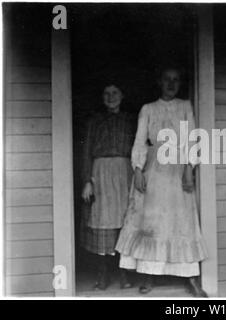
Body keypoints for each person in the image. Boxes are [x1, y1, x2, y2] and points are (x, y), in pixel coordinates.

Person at [115, 66, 208, 297]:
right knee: (152, 221)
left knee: (181, 221)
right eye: (167, 79)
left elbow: (192, 139)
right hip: (154, 168)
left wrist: (189, 168)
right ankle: (148, 274)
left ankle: (191, 278)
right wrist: (137, 169)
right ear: (159, 81)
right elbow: (139, 140)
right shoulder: (148, 109)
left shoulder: (185, 106)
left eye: (175, 80)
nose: (171, 83)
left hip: (178, 169)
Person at [80, 84, 136, 290]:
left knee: (124, 219)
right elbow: (86, 151)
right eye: (106, 93)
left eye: (115, 93)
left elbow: (139, 148)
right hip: (100, 172)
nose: (111, 97)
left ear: (122, 95)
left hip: (124, 173)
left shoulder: (130, 120)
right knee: (102, 219)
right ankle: (102, 273)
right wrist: (87, 180)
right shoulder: (94, 120)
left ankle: (123, 273)